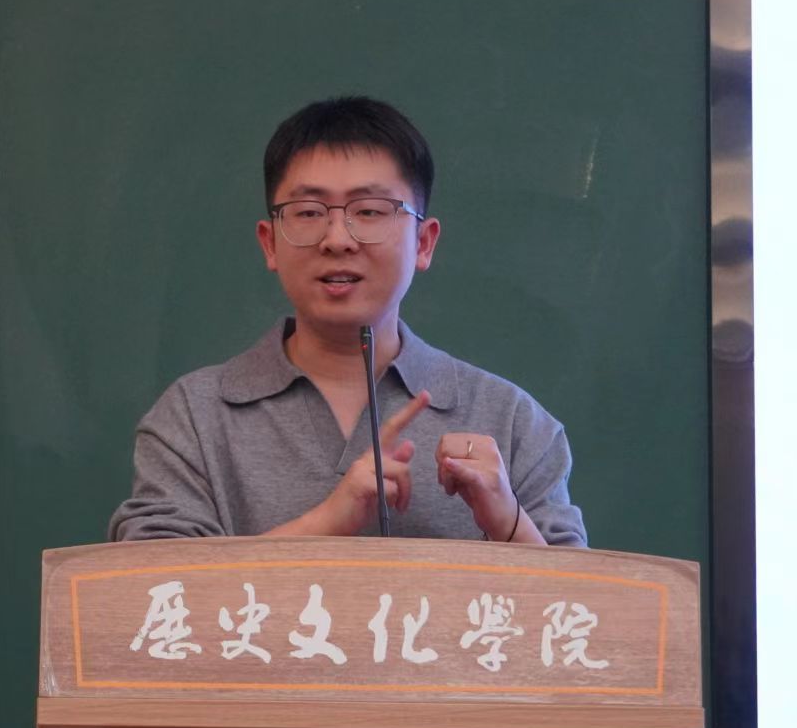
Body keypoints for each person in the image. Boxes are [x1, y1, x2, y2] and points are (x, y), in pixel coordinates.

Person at [108, 97, 586, 546]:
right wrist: (330, 520)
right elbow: (150, 594)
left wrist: (509, 522)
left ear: (423, 243)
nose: (337, 239)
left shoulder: (513, 422)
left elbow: (584, 601)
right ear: (270, 243)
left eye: (370, 211)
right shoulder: (193, 418)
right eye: (308, 212)